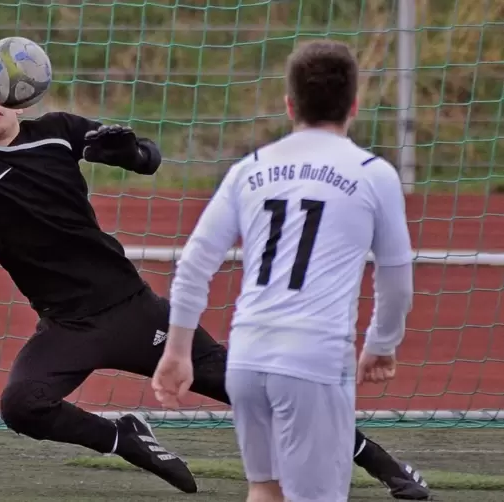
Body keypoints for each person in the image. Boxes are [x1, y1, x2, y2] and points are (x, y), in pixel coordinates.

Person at [0, 47, 430, 499]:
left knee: (260, 393)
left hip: (133, 311)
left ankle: (385, 464)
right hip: (68, 325)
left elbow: (148, 160)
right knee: (21, 405)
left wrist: (131, 150)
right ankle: (124, 438)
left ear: (23, 95)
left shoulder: (57, 133)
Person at [152, 39, 423, 502]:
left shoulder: (249, 169)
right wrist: (381, 345)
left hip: (247, 357)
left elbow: (196, 262)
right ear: (354, 105)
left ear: (289, 104)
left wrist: (177, 349)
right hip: (313, 361)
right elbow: (396, 280)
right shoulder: (372, 173)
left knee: (265, 488)